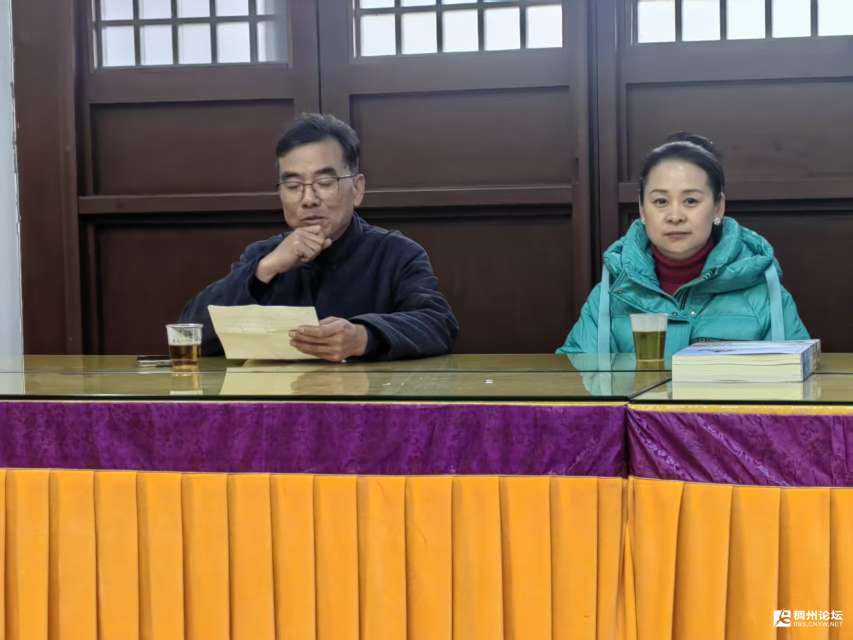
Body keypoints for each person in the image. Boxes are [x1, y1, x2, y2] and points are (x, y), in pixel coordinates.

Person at [180, 113, 459, 362]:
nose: (308, 199)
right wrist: (264, 271)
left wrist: (363, 337)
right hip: (276, 402)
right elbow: (188, 335)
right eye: (293, 186)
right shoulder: (263, 256)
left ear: (357, 189)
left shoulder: (397, 254)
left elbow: (439, 324)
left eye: (324, 183)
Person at [557, 132, 809, 356]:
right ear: (642, 209)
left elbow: (798, 384)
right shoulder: (611, 292)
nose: (675, 216)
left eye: (690, 201)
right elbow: (574, 385)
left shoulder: (763, 291)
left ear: (718, 207)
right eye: (661, 201)